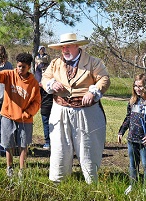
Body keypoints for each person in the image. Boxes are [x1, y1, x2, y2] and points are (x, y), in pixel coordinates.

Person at [41, 33, 110, 184]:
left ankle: (91, 183)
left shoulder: (93, 62)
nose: (65, 50)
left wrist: (93, 92)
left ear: (77, 46)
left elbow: (104, 78)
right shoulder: (55, 63)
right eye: (62, 47)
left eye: (68, 46)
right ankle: (58, 182)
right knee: (59, 148)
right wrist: (52, 83)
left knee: (88, 148)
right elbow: (44, 78)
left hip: (87, 113)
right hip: (60, 111)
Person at [0, 51, 41, 178]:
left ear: (29, 67)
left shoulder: (33, 83)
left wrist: (28, 113)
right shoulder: (9, 74)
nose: (20, 69)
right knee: (8, 144)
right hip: (8, 115)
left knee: (23, 144)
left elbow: (37, 102)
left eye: (23, 67)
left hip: (25, 118)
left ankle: (22, 170)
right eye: (19, 66)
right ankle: (9, 168)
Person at [118, 73, 146, 194]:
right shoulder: (133, 101)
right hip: (132, 139)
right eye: (136, 86)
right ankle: (133, 185)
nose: (138, 88)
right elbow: (128, 118)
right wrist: (121, 131)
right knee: (133, 164)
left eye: (141, 86)